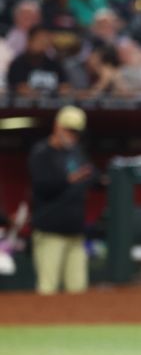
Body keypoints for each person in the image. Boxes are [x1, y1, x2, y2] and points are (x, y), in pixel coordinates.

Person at [28, 106, 96, 295]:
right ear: (57, 126)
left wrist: (87, 177)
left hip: (75, 232)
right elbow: (42, 186)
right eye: (70, 130)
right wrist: (70, 179)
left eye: (77, 132)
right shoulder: (42, 152)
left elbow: (92, 175)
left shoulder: (76, 152)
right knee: (48, 289)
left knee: (78, 290)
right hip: (50, 232)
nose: (73, 136)